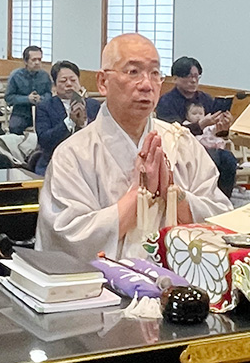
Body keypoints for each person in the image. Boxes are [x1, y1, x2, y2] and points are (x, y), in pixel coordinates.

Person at [37, 34, 231, 261]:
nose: (147, 85)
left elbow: (221, 220)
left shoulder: (181, 143)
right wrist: (138, 196)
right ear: (103, 82)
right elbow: (65, 239)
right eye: (133, 72)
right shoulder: (73, 155)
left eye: (155, 73)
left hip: (179, 278)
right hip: (105, 281)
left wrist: (174, 195)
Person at [155, 56, 239, 198]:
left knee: (228, 159)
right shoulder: (166, 102)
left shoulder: (205, 99)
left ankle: (223, 201)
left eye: (196, 76)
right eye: (189, 76)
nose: (193, 80)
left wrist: (223, 127)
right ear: (175, 79)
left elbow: (215, 133)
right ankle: (199, 200)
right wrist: (200, 125)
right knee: (209, 160)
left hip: (207, 146)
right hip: (179, 150)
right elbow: (171, 132)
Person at [34, 60, 101, 174]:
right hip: (55, 162)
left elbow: (102, 136)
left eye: (73, 80)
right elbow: (44, 141)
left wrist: (84, 123)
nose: (69, 84)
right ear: (54, 85)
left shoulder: (93, 105)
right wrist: (69, 122)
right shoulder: (45, 106)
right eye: (63, 81)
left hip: (88, 163)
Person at [5, 45, 53, 134]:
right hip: (21, 112)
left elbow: (49, 94)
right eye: (34, 60)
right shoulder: (16, 76)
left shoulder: (45, 76)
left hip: (41, 112)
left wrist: (41, 98)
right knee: (14, 127)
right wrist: (27, 99)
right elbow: (9, 98)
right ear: (25, 61)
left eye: (39, 59)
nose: (37, 62)